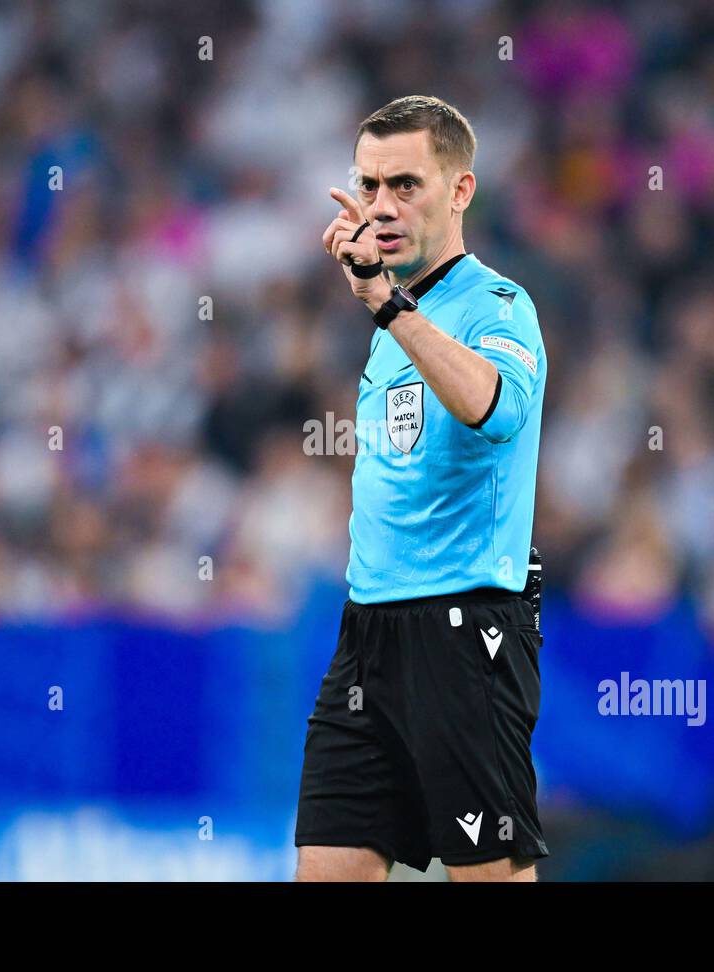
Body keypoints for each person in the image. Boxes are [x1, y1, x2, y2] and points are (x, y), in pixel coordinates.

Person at [294, 95, 548, 881]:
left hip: (465, 630)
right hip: (366, 633)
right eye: (368, 186)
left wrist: (388, 306)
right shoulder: (390, 319)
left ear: (460, 190)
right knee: (327, 868)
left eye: (405, 184)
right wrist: (388, 307)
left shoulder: (497, 305)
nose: (381, 206)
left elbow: (494, 408)